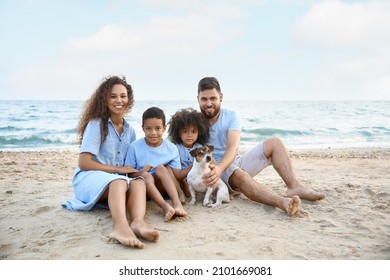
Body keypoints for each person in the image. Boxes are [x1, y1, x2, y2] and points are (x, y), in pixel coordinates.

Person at [196, 77, 325, 216]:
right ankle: (282, 202)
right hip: (214, 173)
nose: (208, 103)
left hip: (231, 162)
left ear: (220, 97)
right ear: (198, 99)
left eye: (213, 98)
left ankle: (294, 186)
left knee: (274, 143)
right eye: (204, 99)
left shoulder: (231, 116)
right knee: (239, 174)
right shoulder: (194, 121)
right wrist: (217, 169)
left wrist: (221, 168)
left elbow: (232, 148)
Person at [62, 75, 159, 249]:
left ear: (129, 100)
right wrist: (117, 169)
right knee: (119, 180)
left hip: (114, 182)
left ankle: (137, 223)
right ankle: (120, 227)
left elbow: (126, 169)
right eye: (113, 96)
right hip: (88, 179)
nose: (119, 100)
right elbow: (84, 163)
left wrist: (139, 171)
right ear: (104, 99)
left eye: (123, 96)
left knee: (138, 183)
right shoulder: (96, 124)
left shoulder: (130, 131)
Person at [125, 106, 187, 222]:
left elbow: (177, 174)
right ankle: (165, 207)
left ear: (164, 128)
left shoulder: (171, 148)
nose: (153, 133)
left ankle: (176, 203)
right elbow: (128, 174)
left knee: (160, 168)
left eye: (157, 128)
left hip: (164, 187)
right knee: (146, 175)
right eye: (148, 129)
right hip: (144, 189)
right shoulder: (134, 147)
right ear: (143, 128)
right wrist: (141, 172)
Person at [167, 107, 210, 197]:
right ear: (178, 133)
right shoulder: (175, 147)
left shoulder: (200, 147)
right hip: (180, 178)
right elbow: (177, 174)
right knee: (168, 169)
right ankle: (182, 190)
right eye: (185, 131)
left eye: (193, 132)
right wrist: (193, 166)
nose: (189, 135)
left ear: (199, 133)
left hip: (197, 178)